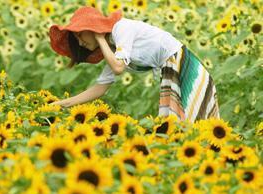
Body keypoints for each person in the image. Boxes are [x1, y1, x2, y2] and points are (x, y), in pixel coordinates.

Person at [48, 6, 220, 123]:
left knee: (190, 127)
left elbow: (118, 68)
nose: (79, 43)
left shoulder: (121, 29)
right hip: (171, 70)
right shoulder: (115, 48)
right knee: (175, 127)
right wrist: (61, 104)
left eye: (79, 35)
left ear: (92, 28)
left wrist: (99, 37)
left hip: (184, 67)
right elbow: (100, 89)